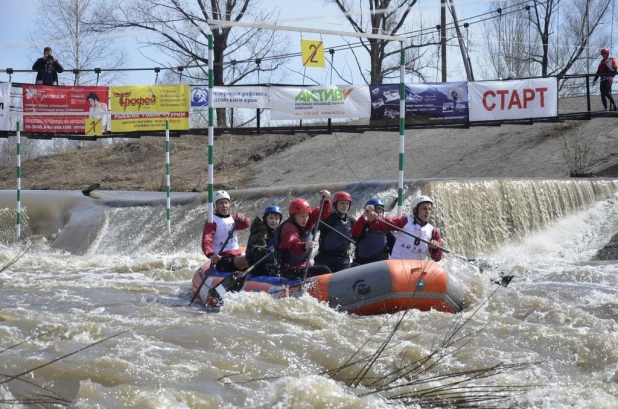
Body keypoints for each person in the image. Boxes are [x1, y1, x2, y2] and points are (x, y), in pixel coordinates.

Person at [364, 195, 443, 262]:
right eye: (424, 209)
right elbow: (379, 225)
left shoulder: (433, 231)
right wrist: (372, 220)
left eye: (429, 209)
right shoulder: (404, 221)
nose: (427, 212)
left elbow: (437, 258)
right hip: (398, 264)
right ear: (415, 210)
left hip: (417, 267)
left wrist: (436, 247)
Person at [275, 191, 333, 280]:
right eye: (302, 216)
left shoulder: (307, 222)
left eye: (306, 216)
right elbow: (293, 245)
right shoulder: (288, 228)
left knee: (327, 264)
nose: (305, 219)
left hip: (302, 265)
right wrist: (305, 246)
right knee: (323, 269)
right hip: (289, 270)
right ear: (293, 216)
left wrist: (325, 201)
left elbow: (323, 213)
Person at [201, 190, 250, 272]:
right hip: (223, 259)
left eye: (226, 202)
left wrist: (243, 219)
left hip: (236, 256)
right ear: (215, 206)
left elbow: (246, 225)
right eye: (220, 203)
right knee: (248, 259)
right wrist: (211, 255)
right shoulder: (212, 222)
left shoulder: (234, 218)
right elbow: (206, 241)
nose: (224, 206)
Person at [314, 191, 356, 272]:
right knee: (324, 271)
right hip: (325, 257)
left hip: (342, 259)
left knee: (346, 270)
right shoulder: (327, 219)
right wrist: (325, 201)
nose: (345, 206)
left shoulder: (351, 221)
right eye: (342, 203)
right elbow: (314, 228)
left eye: (347, 204)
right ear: (335, 204)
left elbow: (359, 237)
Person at [350, 197, 396, 265]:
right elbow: (354, 233)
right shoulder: (362, 225)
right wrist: (364, 214)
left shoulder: (385, 228)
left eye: (380, 212)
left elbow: (394, 246)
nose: (378, 214)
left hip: (380, 264)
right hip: (362, 264)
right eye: (376, 211)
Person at [245, 204, 283, 276]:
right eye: (271, 218)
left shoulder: (276, 231)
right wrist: (267, 251)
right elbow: (256, 251)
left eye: (276, 219)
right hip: (257, 264)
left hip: (269, 261)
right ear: (265, 218)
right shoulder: (261, 232)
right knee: (272, 269)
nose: (274, 221)